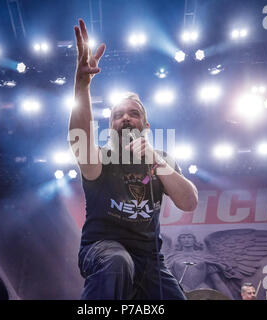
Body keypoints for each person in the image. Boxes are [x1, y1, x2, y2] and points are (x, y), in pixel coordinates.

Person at [69, 19, 198, 300]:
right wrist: (82, 86)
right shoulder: (102, 157)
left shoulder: (161, 159)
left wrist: (153, 159)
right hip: (102, 250)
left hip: (149, 261)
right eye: (118, 115)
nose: (125, 117)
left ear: (146, 126)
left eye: (134, 113)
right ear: (110, 125)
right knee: (118, 262)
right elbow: (79, 140)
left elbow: (189, 202)